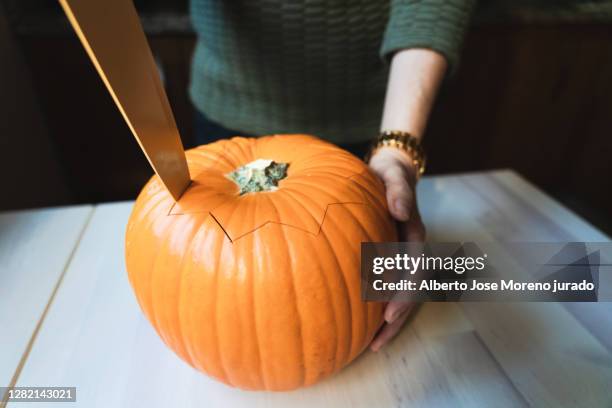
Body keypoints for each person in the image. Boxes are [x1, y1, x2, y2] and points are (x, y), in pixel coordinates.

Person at [189, 0, 476, 351]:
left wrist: (397, 151)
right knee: (223, 275)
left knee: (348, 273)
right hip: (226, 123)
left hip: (381, 118)